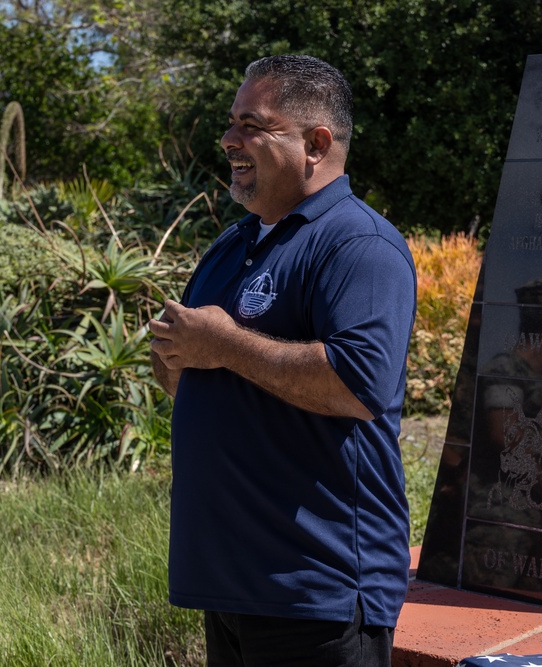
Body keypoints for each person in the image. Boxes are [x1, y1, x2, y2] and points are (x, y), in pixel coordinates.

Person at [148, 54, 417, 666]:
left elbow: (357, 383)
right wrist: (177, 359)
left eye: (253, 124)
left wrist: (222, 344)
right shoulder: (233, 244)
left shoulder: (359, 244)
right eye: (231, 122)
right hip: (230, 583)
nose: (229, 140)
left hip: (316, 591)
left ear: (316, 144)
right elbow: (203, 378)